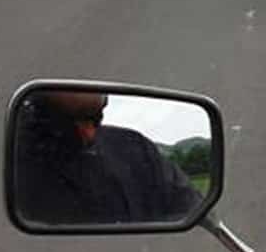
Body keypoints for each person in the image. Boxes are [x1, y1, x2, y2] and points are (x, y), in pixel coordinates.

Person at [14, 90, 200, 226]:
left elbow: (193, 208)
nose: (89, 134)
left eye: (96, 118)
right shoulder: (14, 167)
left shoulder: (135, 149)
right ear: (30, 114)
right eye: (62, 123)